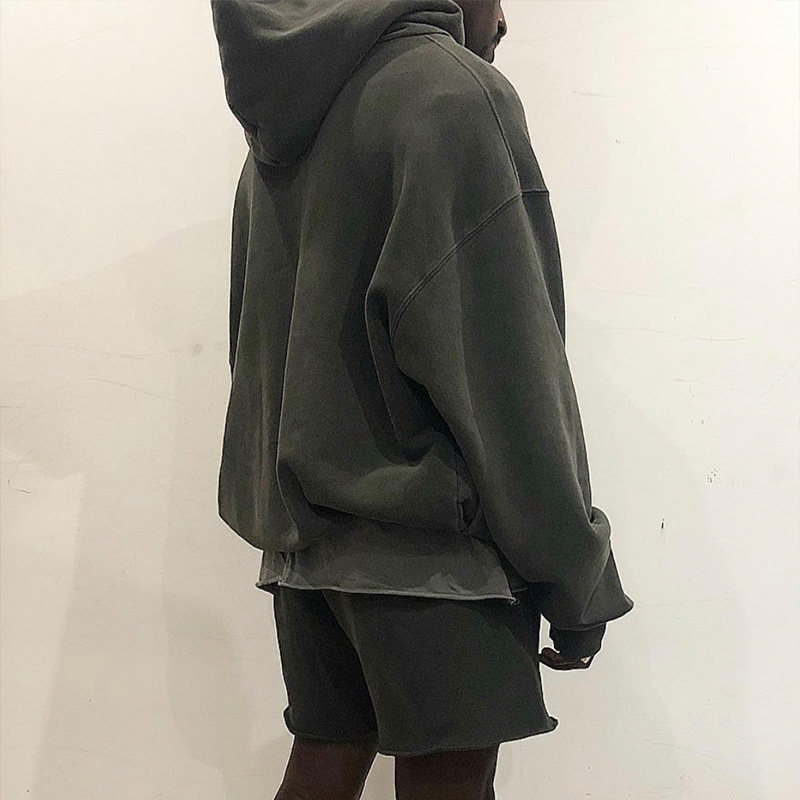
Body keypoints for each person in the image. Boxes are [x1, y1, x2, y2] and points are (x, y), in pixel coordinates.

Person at [209, 1, 635, 798]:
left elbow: (256, 349)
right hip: (433, 561)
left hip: (309, 558)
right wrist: (578, 577)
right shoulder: (452, 96)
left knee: (324, 766)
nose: (505, 18)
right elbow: (508, 377)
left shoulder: (284, 121)